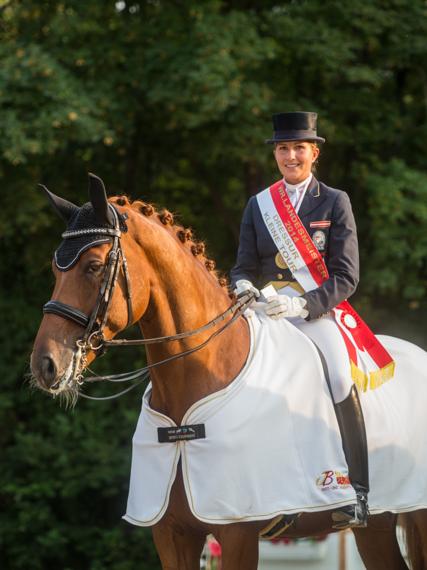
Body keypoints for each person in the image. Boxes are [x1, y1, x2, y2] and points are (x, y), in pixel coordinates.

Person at [230, 111, 369, 529]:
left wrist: (304, 306)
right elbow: (242, 267)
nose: (291, 156)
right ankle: (267, 490)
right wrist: (242, 289)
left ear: (314, 153)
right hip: (266, 314)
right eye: (283, 148)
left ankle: (357, 491)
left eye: (299, 148)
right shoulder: (259, 204)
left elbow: (347, 276)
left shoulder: (334, 200)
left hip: (315, 312)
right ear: (276, 154)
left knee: (340, 375)